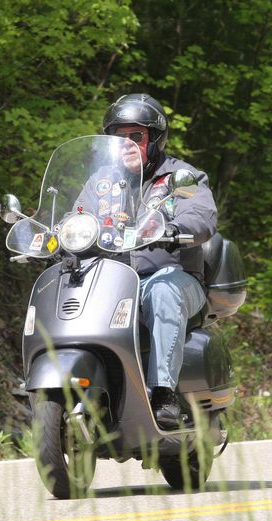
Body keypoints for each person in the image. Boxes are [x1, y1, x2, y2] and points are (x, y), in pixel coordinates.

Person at [102, 93, 217, 429]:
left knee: (163, 292)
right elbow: (77, 215)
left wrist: (174, 227)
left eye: (135, 136)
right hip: (115, 280)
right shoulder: (103, 183)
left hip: (175, 276)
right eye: (117, 137)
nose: (126, 144)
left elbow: (202, 215)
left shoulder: (180, 177)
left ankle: (164, 394)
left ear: (154, 139)